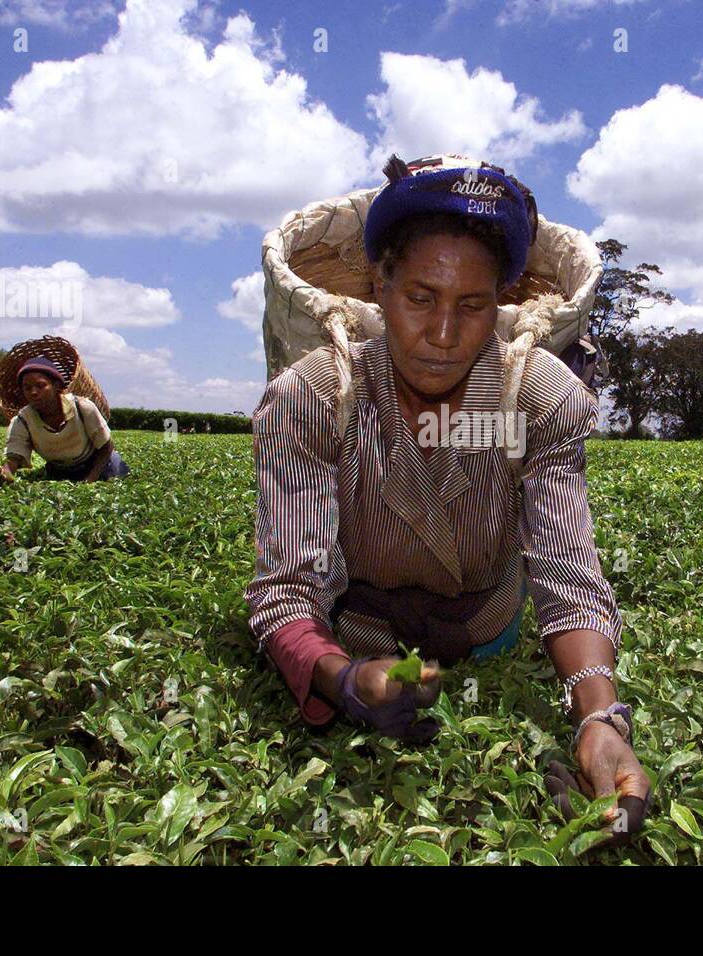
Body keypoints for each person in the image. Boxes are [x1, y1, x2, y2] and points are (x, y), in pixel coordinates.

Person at [246, 156, 649, 836]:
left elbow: (567, 576)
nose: (441, 334)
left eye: (471, 305)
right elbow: (285, 588)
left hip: (485, 625)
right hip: (358, 629)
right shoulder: (314, 394)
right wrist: (343, 680)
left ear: (501, 304)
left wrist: (598, 717)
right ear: (380, 287)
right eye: (419, 298)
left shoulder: (538, 397)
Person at [0, 356, 129, 483]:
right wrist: (4, 474)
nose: (33, 392)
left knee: (113, 478)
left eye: (40, 385)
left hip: (99, 464)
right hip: (60, 471)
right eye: (27, 388)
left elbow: (106, 447)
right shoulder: (22, 421)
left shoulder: (82, 407)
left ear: (56, 386)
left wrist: (91, 480)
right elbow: (13, 461)